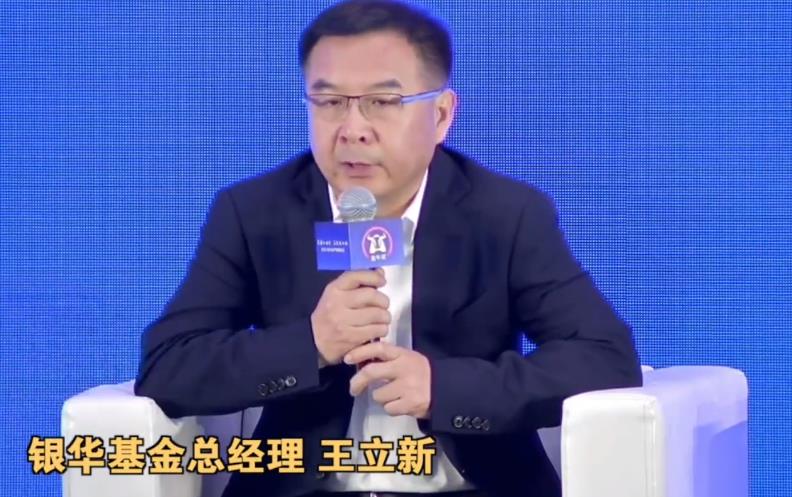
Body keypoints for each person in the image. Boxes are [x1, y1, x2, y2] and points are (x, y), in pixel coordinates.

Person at [134, 1, 643, 496]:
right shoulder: (255, 212)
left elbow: (603, 358)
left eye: (383, 102)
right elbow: (168, 368)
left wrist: (444, 387)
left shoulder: (505, 214)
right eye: (330, 102)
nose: (353, 130)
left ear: (441, 115)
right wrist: (311, 343)